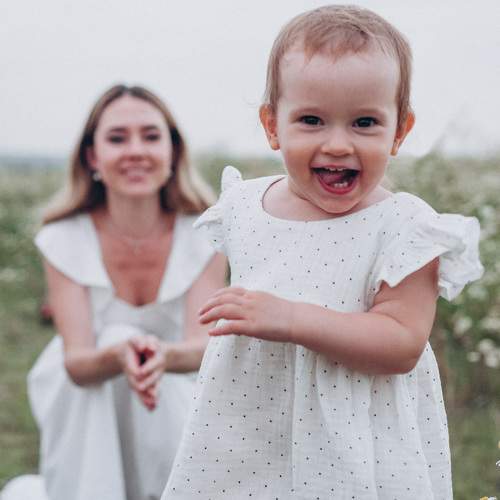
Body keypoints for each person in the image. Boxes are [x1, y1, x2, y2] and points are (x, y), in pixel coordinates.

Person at [161, 6, 483, 499]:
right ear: (272, 125)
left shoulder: (404, 227)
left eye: (364, 122)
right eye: (311, 120)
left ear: (399, 131)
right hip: (245, 433)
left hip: (354, 447)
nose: (337, 144)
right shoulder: (245, 207)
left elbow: (402, 341)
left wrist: (291, 318)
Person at [1, 84, 226, 500]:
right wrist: (121, 353)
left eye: (151, 136)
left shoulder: (204, 234)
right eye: (118, 138)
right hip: (87, 391)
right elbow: (77, 362)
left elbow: (203, 348)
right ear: (92, 157)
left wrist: (159, 356)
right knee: (116, 338)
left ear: (173, 151)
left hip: (175, 385)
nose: (135, 151)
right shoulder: (63, 237)